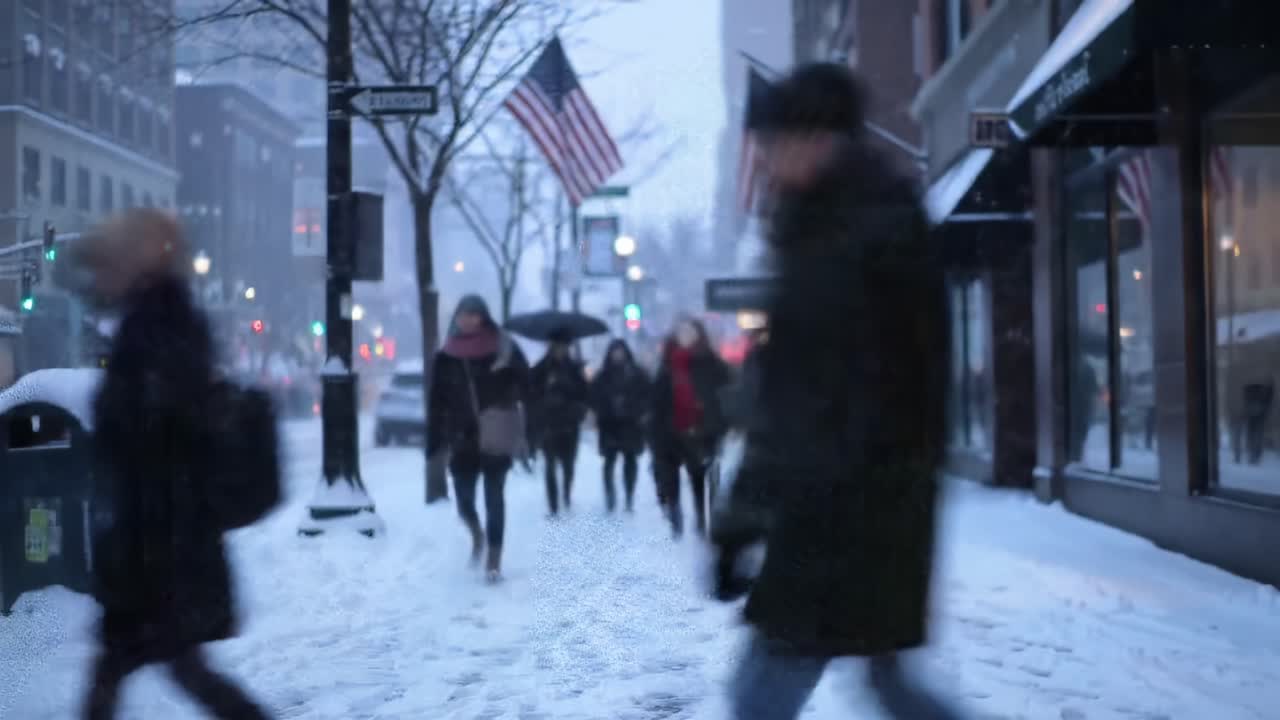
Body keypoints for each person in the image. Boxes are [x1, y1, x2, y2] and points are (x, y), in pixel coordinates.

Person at [709, 63, 964, 719]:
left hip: (841, 511)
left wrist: (750, 515)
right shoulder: (837, 227)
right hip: (862, 508)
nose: (762, 162)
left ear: (816, 140)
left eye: (771, 146)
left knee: (761, 695)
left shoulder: (850, 238)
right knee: (887, 683)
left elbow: (805, 400)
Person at [79, 210, 271, 720]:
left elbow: (158, 426)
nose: (104, 272)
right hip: (162, 538)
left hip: (163, 541)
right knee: (170, 666)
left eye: (115, 257)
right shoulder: (156, 317)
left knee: (147, 666)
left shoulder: (158, 324)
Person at [427, 295, 530, 582]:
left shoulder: (503, 347)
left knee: (494, 497)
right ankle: (477, 534)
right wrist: (434, 439)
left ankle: (494, 560)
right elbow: (437, 401)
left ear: (483, 317)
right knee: (464, 500)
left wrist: (508, 383)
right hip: (462, 438)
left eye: (474, 314)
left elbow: (526, 383)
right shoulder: (446, 355)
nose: (468, 319)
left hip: (496, 431)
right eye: (463, 314)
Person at [650, 316, 731, 538]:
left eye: (690, 332)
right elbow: (656, 400)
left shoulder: (711, 363)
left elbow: (724, 394)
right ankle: (676, 519)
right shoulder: (667, 364)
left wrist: (716, 421)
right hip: (670, 430)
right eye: (682, 332)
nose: (686, 337)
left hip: (700, 431)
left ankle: (701, 519)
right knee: (670, 477)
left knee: (698, 478)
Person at [529, 333, 589, 516]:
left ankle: (566, 494)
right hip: (549, 423)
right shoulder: (541, 368)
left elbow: (584, 394)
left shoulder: (574, 369)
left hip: (570, 423)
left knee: (568, 465)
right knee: (549, 465)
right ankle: (553, 505)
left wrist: (578, 410)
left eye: (564, 347)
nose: (560, 351)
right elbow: (532, 392)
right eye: (557, 347)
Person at [589, 338, 651, 512]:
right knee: (609, 461)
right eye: (615, 351)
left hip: (630, 424)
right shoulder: (603, 375)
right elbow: (593, 396)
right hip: (610, 424)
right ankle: (610, 496)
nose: (618, 355)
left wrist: (639, 411)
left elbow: (647, 395)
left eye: (620, 351)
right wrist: (602, 409)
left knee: (630, 461)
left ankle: (629, 496)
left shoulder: (638, 374)